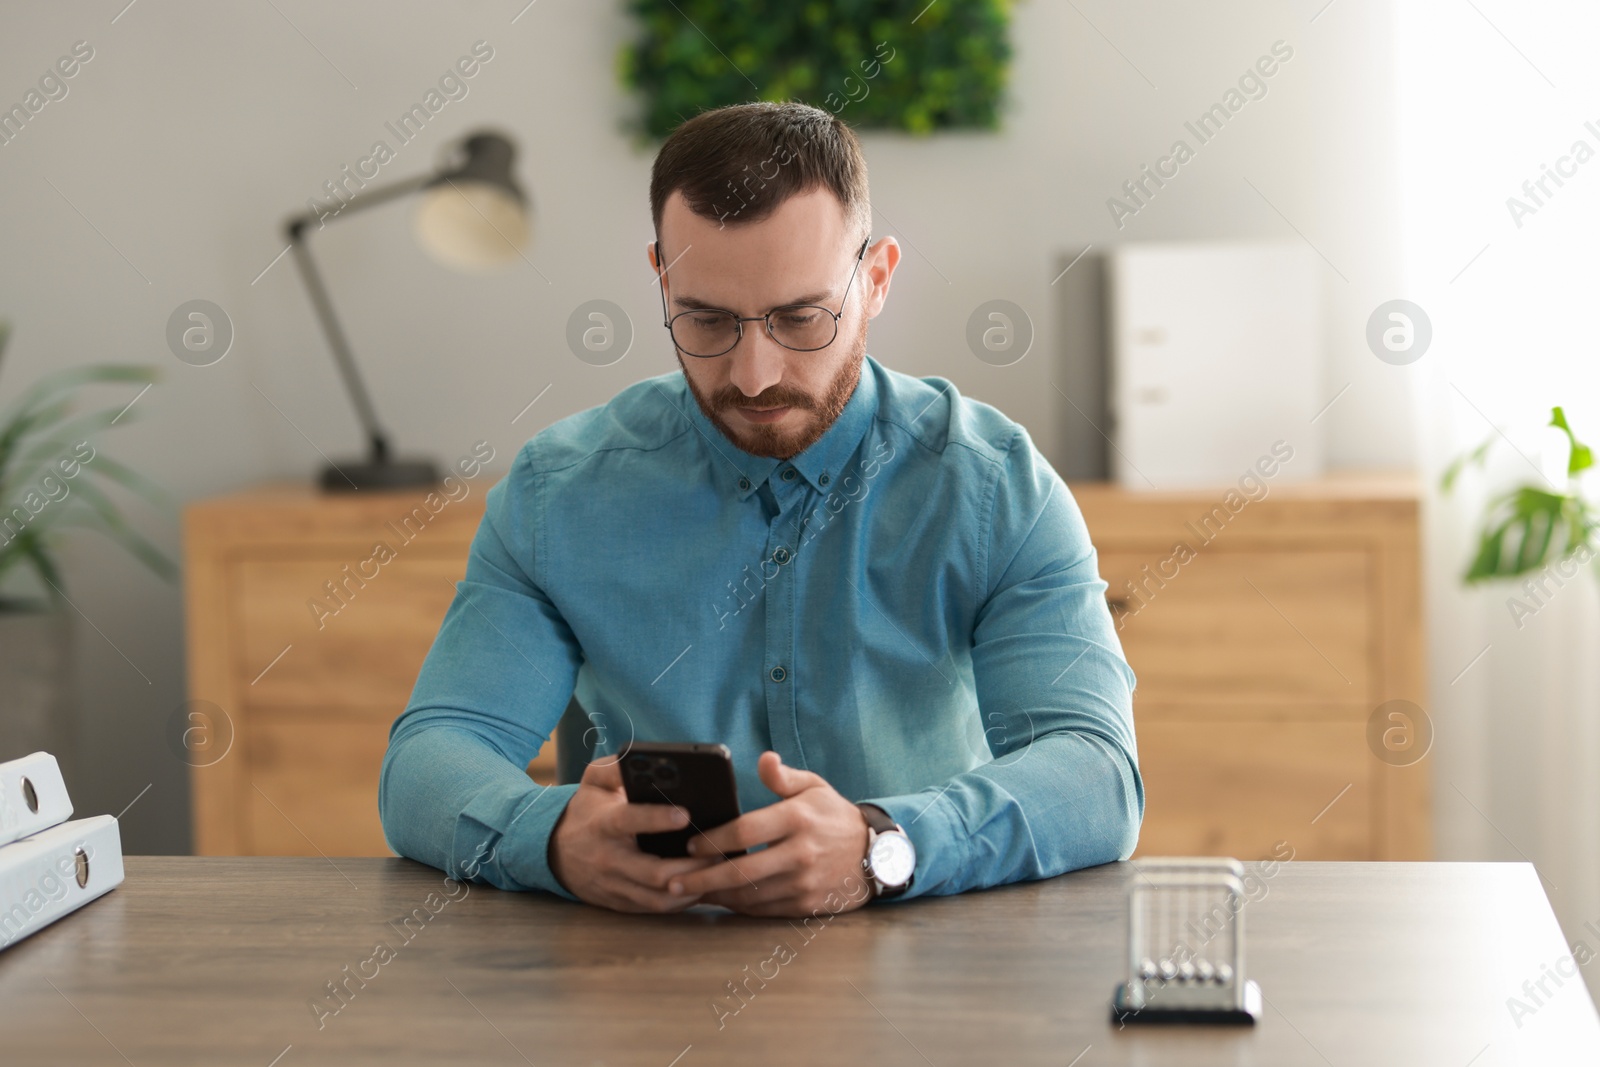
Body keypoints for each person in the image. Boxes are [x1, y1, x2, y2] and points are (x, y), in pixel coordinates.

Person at [379, 100, 1142, 918]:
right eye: (707, 319)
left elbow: (1096, 769)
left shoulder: (995, 489)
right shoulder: (556, 495)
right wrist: (553, 838)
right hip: (636, 977)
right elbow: (430, 758)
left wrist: (886, 843)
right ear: (662, 280)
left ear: (876, 278)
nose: (752, 374)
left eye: (800, 318)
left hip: (928, 954)